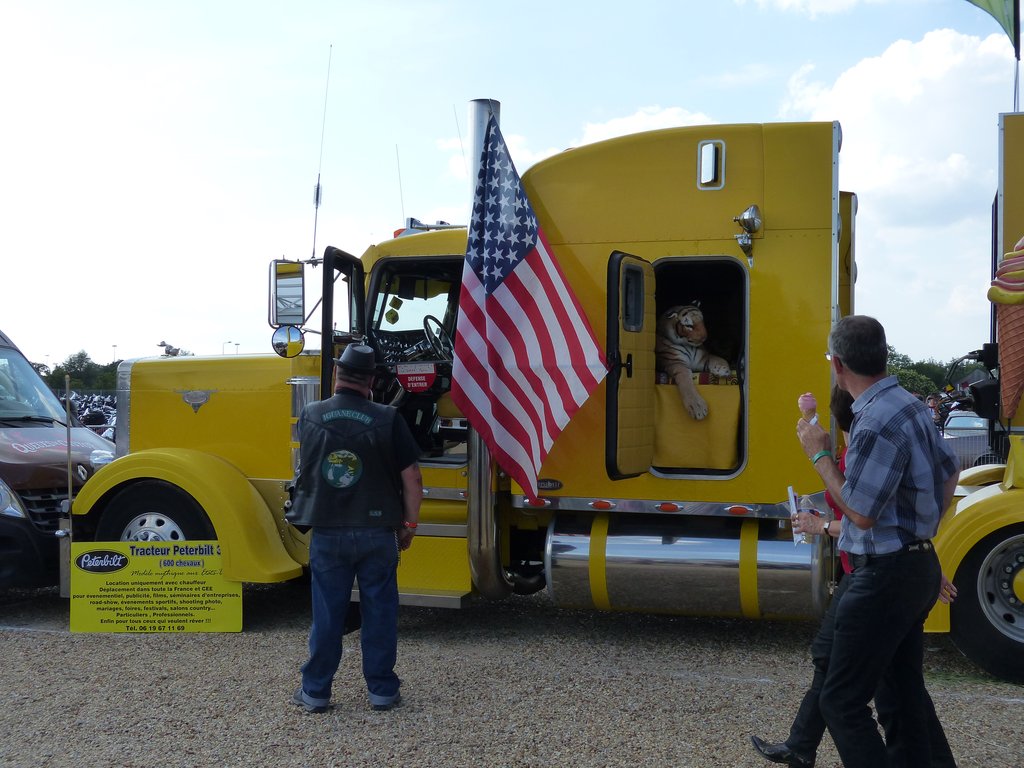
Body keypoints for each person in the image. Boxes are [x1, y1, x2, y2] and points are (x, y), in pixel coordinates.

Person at [751, 385, 958, 768]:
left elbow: (866, 518)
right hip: (869, 571)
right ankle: (801, 745)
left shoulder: (862, 454)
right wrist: (922, 554)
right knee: (857, 672)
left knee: (860, 695)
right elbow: (904, 513)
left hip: (874, 575)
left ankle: (802, 746)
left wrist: (820, 522)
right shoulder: (859, 449)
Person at [794, 316, 959, 768]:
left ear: (838, 364)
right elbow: (951, 470)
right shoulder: (910, 405)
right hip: (915, 565)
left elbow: (861, 513)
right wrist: (922, 528)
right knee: (902, 692)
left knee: (841, 701)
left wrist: (819, 454)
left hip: (884, 574)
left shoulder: (873, 422)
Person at [288, 344, 423, 714]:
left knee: (327, 615)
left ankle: (316, 691)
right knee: (380, 612)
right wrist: (409, 525)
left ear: (337, 373)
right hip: (378, 532)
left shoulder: (311, 415)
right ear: (372, 381)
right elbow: (412, 478)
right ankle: (382, 691)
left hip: (328, 531)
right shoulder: (389, 417)